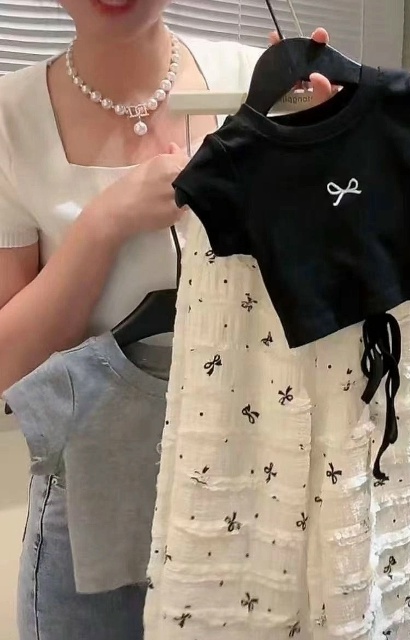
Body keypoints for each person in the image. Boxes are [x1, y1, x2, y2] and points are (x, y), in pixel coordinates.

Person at [0, 1, 332, 638]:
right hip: (91, 497)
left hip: (254, 476)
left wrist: (327, 147)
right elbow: (9, 367)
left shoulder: (261, 83)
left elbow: (327, 290)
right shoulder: (10, 118)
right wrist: (105, 224)